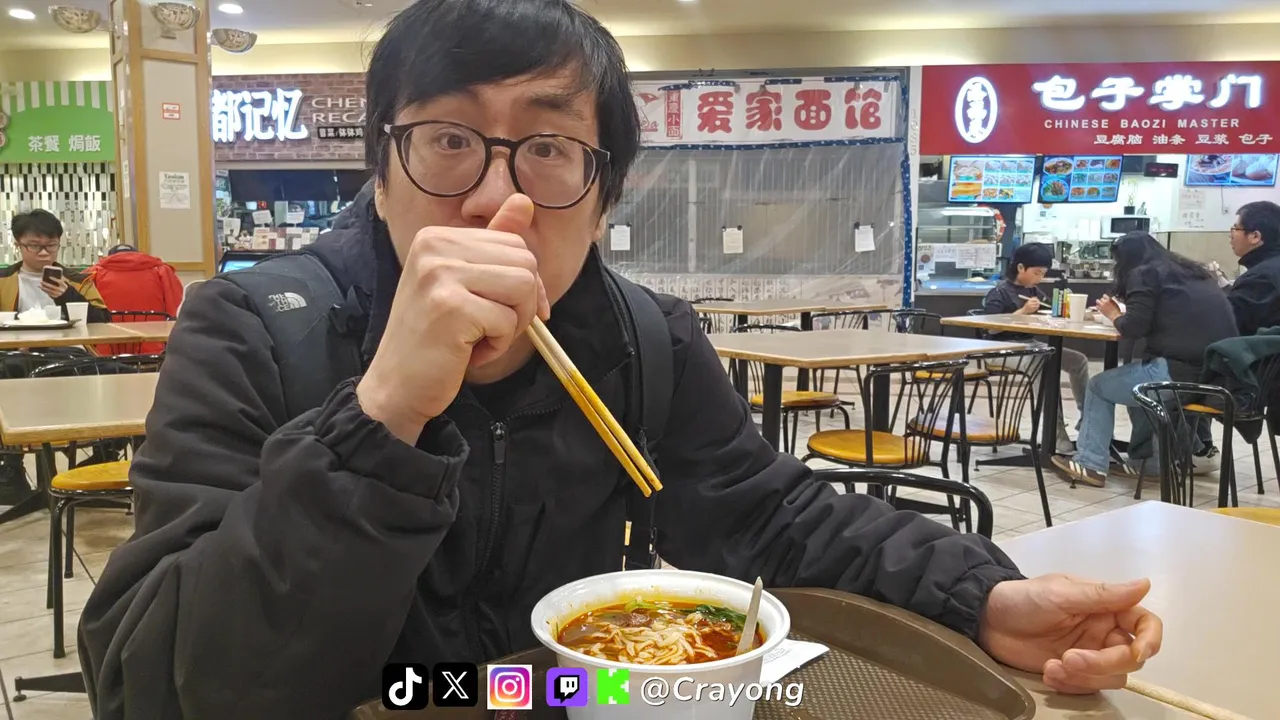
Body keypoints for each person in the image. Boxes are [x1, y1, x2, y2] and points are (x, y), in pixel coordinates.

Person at [78, 1, 1163, 717]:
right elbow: (150, 689)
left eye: (548, 149)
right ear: (381, 165)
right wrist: (382, 415)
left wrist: (983, 595)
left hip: (554, 699)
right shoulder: (249, 328)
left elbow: (770, 517)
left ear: (604, 194)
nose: (496, 198)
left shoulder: (643, 337)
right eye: (448, 140)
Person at [1052, 233, 1236, 487]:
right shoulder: (1192, 273)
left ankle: (1089, 464)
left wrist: (1113, 313)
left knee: (1099, 386)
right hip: (1215, 376)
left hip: (1179, 374)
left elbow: (1134, 327)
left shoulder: (1144, 273)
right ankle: (1151, 465)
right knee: (1133, 377)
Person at [983, 242, 1090, 454]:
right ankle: (1056, 434)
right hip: (999, 348)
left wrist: (1076, 312)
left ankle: (1088, 419)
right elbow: (990, 328)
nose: (1039, 278)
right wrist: (1023, 311)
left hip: (1030, 345)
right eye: (1036, 273)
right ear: (1020, 267)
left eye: (1043, 274)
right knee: (1041, 360)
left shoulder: (1033, 291)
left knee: (1078, 360)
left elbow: (1052, 310)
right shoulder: (999, 292)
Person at [3, 209, 110, 322]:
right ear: (18, 246)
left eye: (51, 245)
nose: (44, 253)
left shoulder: (79, 281)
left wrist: (68, 295)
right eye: (34, 246)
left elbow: (103, 321)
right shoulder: (2, 281)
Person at [88, 243, 184, 354]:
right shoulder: (161, 271)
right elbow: (176, 309)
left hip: (106, 349)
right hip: (153, 348)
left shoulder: (94, 273)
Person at [1225, 200, 1280, 336]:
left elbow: (1229, 326)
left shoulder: (1258, 279)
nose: (1230, 235)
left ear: (1255, 236)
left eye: (1235, 228)